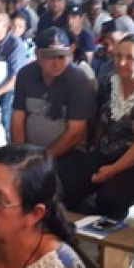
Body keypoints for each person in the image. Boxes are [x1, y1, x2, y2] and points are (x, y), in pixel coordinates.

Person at [63, 34, 134, 219]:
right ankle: (80, 233)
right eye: (118, 56)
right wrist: (93, 153)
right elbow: (100, 122)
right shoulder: (110, 82)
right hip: (109, 149)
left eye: (130, 58)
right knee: (70, 182)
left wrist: (112, 170)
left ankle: (107, 238)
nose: (122, 62)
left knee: (112, 196)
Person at [11, 27, 95, 205]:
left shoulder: (78, 80)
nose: (56, 62)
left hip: (67, 153)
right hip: (31, 150)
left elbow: (76, 132)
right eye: (50, 56)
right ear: (38, 54)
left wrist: (43, 158)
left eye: (61, 56)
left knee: (53, 186)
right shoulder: (25, 75)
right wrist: (21, 154)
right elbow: (18, 119)